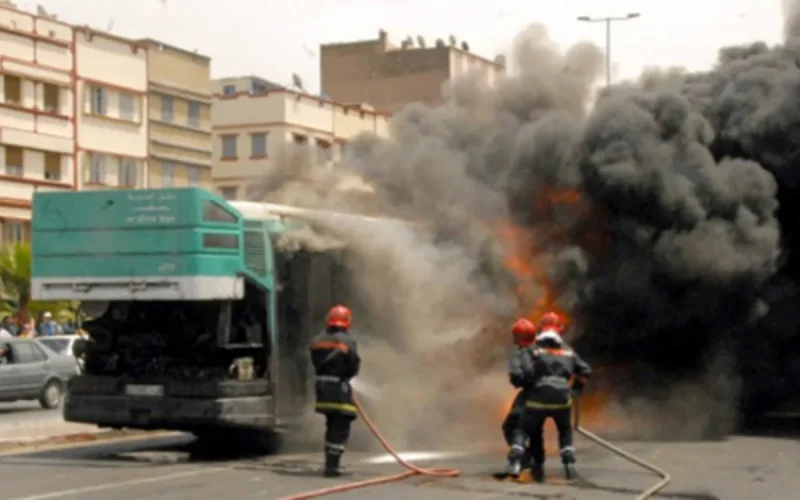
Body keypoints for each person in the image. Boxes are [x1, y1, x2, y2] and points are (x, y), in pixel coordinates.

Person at [506, 311, 592, 483]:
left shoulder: (533, 349)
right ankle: (569, 466)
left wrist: (528, 383)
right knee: (565, 430)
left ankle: (515, 462)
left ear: (539, 330)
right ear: (560, 329)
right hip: (562, 399)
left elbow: (525, 372)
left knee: (523, 429)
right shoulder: (568, 351)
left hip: (537, 398)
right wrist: (575, 390)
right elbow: (585, 371)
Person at [309, 304, 361, 478]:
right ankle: (332, 467)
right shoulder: (348, 341)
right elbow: (353, 364)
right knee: (341, 424)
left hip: (321, 387)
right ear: (347, 321)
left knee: (331, 423)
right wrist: (347, 376)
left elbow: (315, 361)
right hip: (338, 388)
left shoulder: (318, 339)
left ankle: (330, 463)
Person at [496, 318, 537, 479]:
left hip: (530, 394)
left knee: (512, 427)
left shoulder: (519, 353)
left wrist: (519, 380)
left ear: (518, 337)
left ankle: (518, 459)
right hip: (551, 395)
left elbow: (518, 376)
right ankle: (529, 458)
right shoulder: (544, 350)